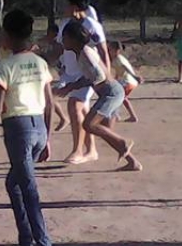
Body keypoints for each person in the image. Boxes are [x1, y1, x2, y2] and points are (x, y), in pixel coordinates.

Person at [0, 9, 57, 246]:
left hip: (18, 130)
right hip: (38, 127)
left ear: (8, 35)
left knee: (29, 191)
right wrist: (47, 138)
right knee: (14, 184)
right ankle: (25, 244)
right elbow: (50, 103)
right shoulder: (40, 63)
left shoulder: (5, 67)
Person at [56, 20, 142, 172]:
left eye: (65, 37)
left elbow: (98, 77)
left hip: (111, 93)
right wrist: (69, 86)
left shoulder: (86, 53)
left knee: (89, 124)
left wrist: (71, 87)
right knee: (101, 129)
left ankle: (123, 143)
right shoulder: (81, 53)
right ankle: (132, 162)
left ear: (74, 38)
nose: (63, 40)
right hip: (108, 93)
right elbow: (89, 76)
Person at [59, 0, 109, 164]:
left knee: (74, 105)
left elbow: (103, 51)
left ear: (74, 7)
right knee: (83, 110)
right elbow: (61, 47)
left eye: (66, 4)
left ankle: (78, 150)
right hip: (70, 73)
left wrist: (108, 75)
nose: (63, 8)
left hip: (87, 74)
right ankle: (91, 150)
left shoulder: (92, 25)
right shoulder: (65, 24)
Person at [43, 22, 69, 131]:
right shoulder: (54, 45)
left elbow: (50, 59)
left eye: (49, 34)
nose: (47, 37)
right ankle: (63, 118)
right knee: (49, 96)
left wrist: (38, 53)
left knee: (49, 97)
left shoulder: (58, 46)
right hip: (64, 76)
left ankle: (63, 118)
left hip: (68, 77)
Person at [109, 40, 143, 122]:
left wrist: (135, 77)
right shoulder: (116, 59)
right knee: (120, 97)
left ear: (116, 50)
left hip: (128, 82)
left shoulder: (119, 59)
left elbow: (126, 68)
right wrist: (115, 80)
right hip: (126, 81)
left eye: (110, 49)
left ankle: (118, 116)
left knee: (118, 97)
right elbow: (119, 71)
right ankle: (119, 116)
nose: (109, 51)